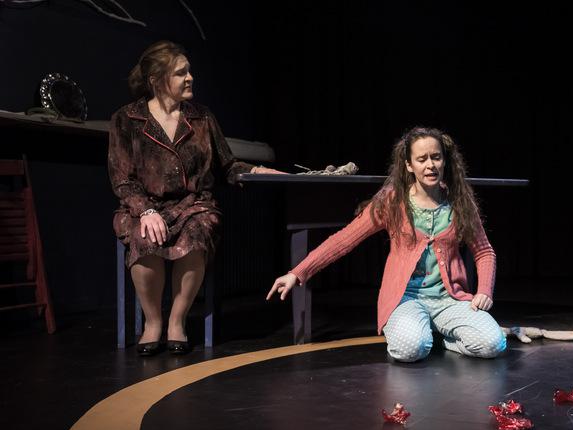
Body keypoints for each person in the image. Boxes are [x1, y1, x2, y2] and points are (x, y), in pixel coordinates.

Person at [268, 127, 506, 362]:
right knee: (410, 349)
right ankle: (424, 335)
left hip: (449, 299)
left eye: (436, 157)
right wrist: (298, 272)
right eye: (422, 159)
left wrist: (484, 291)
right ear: (409, 165)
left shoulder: (459, 201)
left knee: (493, 343)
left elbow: (484, 252)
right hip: (405, 298)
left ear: (445, 161)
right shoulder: (392, 201)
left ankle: (440, 338)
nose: (430, 165)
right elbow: (344, 240)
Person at [109, 41, 282, 356]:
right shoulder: (127, 119)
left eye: (189, 71)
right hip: (143, 205)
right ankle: (153, 322)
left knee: (196, 233)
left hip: (193, 205)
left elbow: (227, 165)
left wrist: (256, 171)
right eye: (180, 73)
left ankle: (177, 321)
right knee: (144, 236)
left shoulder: (201, 117)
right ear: (156, 80)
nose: (190, 77)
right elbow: (122, 178)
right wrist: (145, 210)